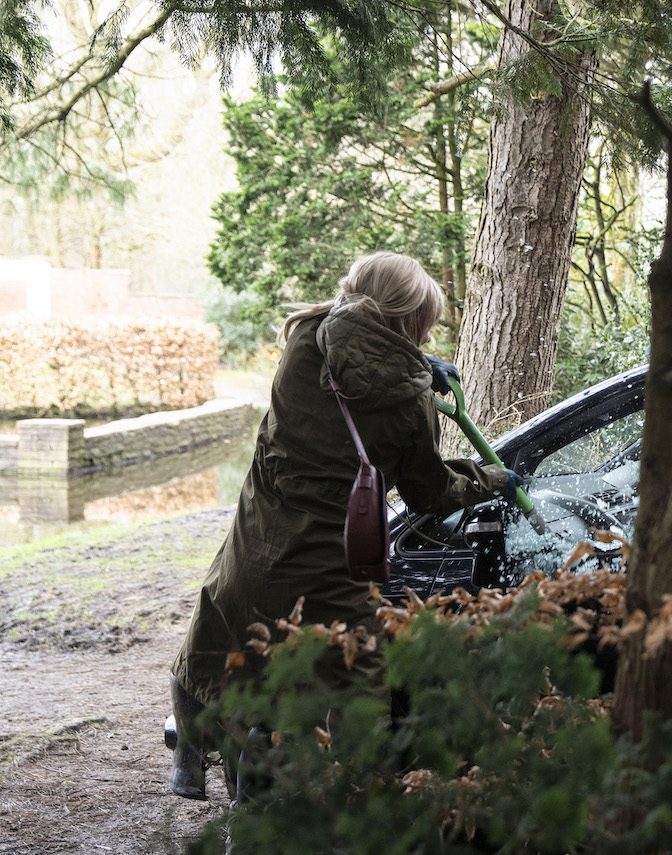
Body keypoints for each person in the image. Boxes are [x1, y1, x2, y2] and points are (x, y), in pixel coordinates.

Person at [168, 251, 519, 800]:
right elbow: (429, 491)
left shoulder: (303, 345)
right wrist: (489, 478)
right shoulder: (411, 403)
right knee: (357, 695)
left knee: (223, 640)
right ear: (410, 322)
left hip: (258, 546)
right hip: (332, 572)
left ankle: (197, 764)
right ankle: (327, 854)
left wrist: (419, 367)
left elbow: (349, 341)